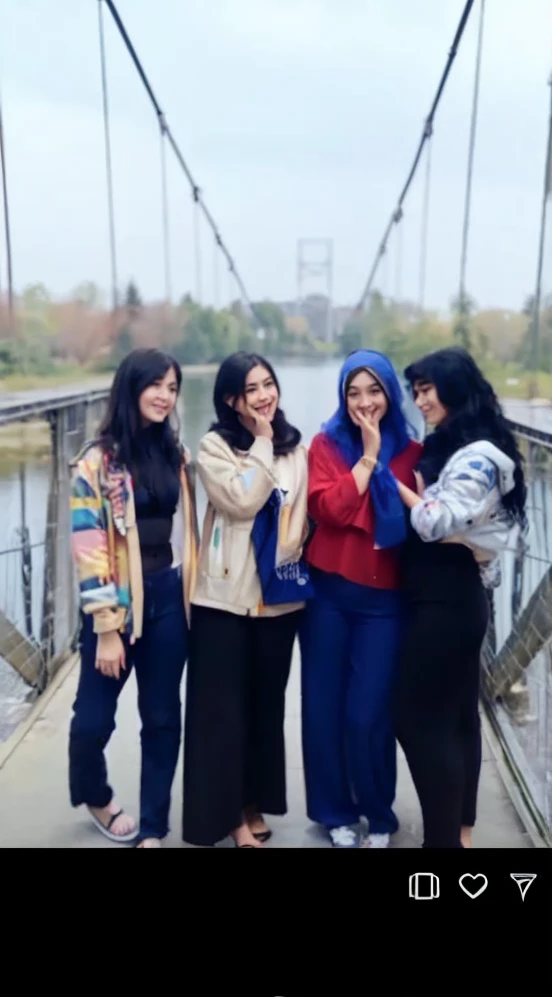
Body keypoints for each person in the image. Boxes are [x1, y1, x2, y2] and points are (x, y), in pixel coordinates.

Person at [393, 346, 527, 850]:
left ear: (453, 389)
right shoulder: (463, 443)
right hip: (449, 596)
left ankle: (443, 842)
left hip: (445, 603)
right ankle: (460, 835)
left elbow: (432, 522)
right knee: (455, 718)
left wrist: (404, 491)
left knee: (416, 718)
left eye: (427, 390)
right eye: (416, 391)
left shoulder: (477, 456)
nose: (419, 400)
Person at [68, 348, 198, 848]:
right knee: (92, 721)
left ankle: (153, 827)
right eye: (156, 385)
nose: (165, 396)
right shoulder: (96, 461)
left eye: (172, 387)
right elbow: (88, 544)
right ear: (131, 387)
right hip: (117, 602)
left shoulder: (174, 454)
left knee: (163, 718)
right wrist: (106, 626)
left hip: (167, 595)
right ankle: (95, 794)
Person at [182, 352, 310, 848]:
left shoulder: (297, 448)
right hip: (223, 602)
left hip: (278, 602)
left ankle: (254, 801)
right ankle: (232, 818)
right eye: (251, 389)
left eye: (268, 384)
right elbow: (241, 499)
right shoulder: (214, 447)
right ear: (231, 400)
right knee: (224, 715)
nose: (264, 396)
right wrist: (260, 441)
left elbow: (302, 508)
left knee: (264, 709)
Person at [300, 350, 422, 848]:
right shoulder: (326, 445)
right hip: (328, 594)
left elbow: (425, 522)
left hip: (384, 603)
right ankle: (335, 814)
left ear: (390, 394)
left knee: (367, 713)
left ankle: (380, 814)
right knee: (324, 708)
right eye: (354, 392)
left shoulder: (415, 453)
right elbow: (327, 508)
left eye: (374, 391)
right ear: (342, 397)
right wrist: (368, 458)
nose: (364, 402)